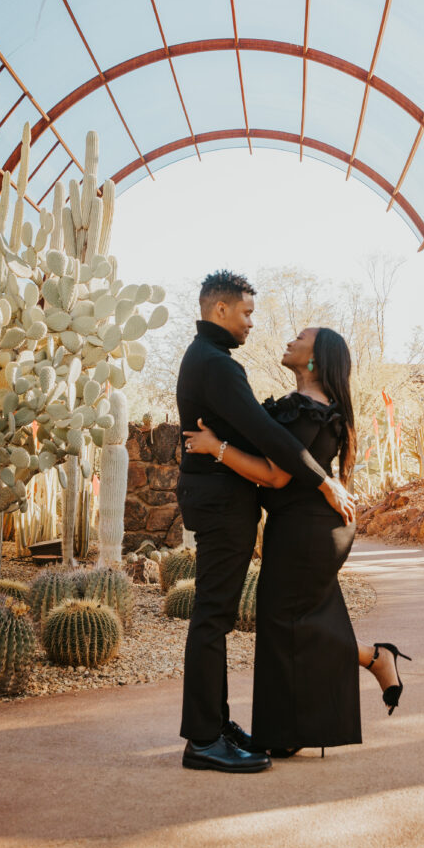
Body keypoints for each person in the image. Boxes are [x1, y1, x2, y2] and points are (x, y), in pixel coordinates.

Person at [184, 325, 411, 758]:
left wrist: (216, 448)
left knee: (289, 626)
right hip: (307, 527)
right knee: (296, 625)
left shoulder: (309, 411)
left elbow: (275, 476)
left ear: (315, 358)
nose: (290, 340)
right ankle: (294, 724)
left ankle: (364, 666)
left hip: (307, 531)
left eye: (301, 337)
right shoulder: (309, 407)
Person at [176, 271, 356, 774]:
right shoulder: (216, 364)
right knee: (214, 617)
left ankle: (216, 725)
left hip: (223, 501)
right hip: (221, 503)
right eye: (247, 312)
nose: (253, 323)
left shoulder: (210, 359)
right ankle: (203, 740)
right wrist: (324, 481)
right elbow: (266, 434)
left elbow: (265, 437)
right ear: (220, 311)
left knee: (217, 616)